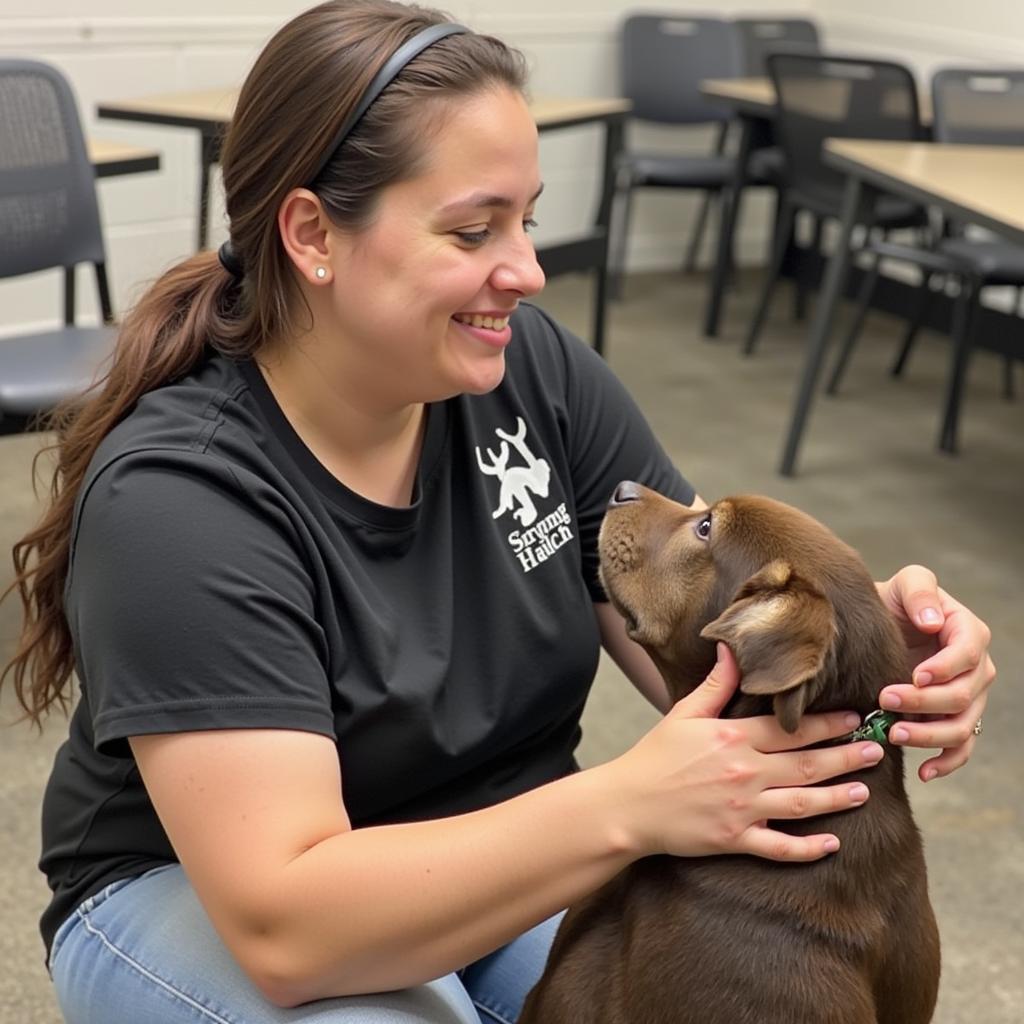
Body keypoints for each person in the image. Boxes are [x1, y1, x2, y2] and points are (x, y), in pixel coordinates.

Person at [1, 3, 995, 1022]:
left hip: (516, 839)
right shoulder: (183, 501)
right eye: (475, 229)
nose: (527, 268)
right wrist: (627, 805)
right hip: (231, 900)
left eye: (525, 218)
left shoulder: (532, 370)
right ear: (311, 235)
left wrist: (881, 658)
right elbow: (285, 926)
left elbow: (703, 618)